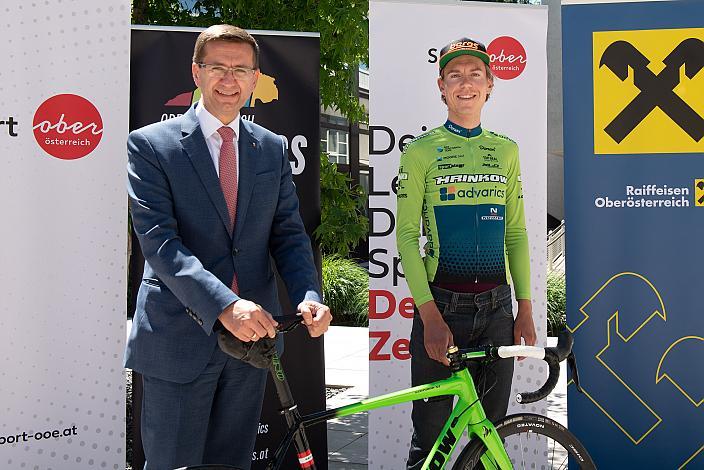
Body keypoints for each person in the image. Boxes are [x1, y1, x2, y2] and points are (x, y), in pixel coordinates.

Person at [124, 24, 331, 470]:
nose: (229, 79)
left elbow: (288, 235)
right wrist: (225, 305)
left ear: (255, 79)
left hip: (252, 346)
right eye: (218, 67)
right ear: (196, 72)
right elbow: (161, 245)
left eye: (241, 69)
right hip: (178, 339)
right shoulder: (150, 146)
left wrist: (308, 296)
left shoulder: (270, 149)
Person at [395, 37, 537, 469]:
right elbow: (405, 237)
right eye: (455, 75)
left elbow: (515, 232)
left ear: (490, 83)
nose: (466, 83)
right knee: (431, 441)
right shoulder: (421, 151)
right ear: (441, 86)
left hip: (498, 310)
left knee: (489, 437)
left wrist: (525, 308)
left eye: (476, 74)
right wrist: (430, 316)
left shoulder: (506, 150)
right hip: (443, 310)